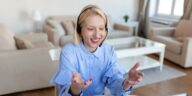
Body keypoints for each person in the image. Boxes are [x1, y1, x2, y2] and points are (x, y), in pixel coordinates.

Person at [51, 4, 144, 96]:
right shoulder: (68, 52)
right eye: (91, 29)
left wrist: (126, 84)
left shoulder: (109, 51)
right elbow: (63, 92)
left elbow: (115, 84)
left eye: (101, 28)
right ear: (80, 30)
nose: (97, 35)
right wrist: (75, 90)